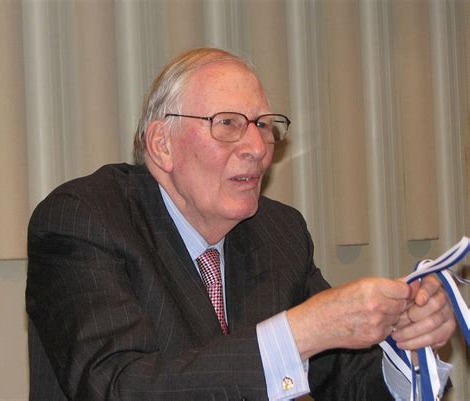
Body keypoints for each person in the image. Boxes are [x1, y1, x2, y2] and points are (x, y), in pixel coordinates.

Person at [26, 47, 455, 401]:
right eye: (228, 123)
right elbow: (119, 388)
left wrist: (409, 345)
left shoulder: (279, 231)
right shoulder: (84, 219)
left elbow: (347, 380)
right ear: (161, 145)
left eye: (264, 126)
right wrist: (302, 331)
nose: (258, 148)